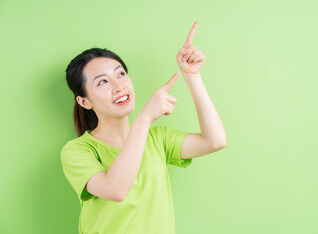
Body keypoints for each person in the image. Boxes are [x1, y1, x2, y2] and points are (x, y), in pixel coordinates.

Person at [60, 21, 227, 234]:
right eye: (102, 82)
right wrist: (145, 117)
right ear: (84, 102)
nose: (118, 86)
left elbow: (215, 141)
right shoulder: (77, 151)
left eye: (120, 74)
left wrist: (192, 76)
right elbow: (116, 189)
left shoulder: (158, 139)